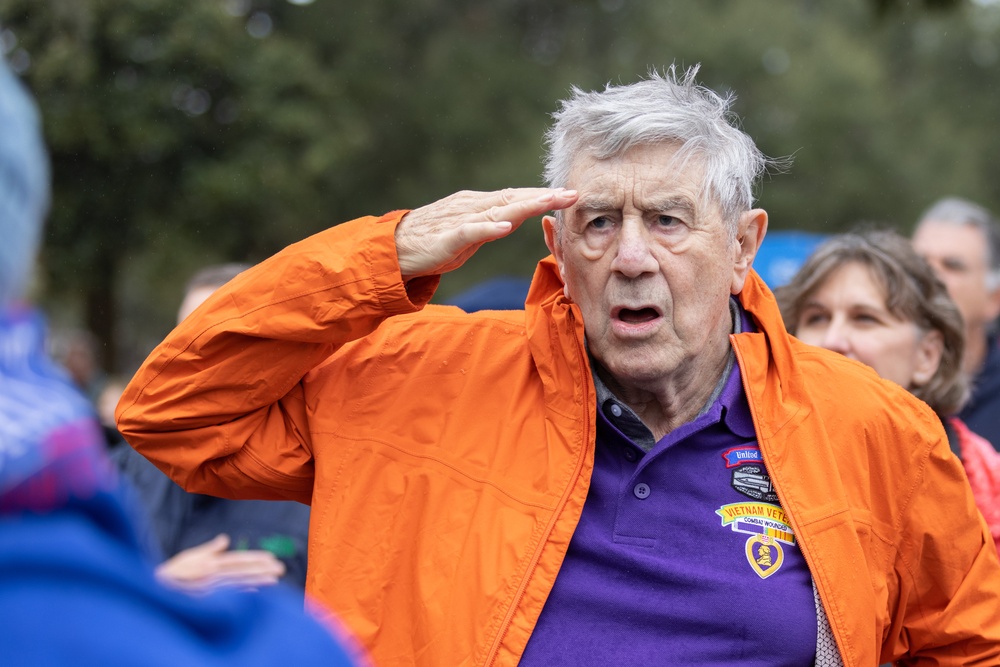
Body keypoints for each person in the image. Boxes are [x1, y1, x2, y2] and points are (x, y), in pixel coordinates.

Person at [117, 66, 1000, 665]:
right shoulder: (416, 377)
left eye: (667, 219)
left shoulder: (873, 426)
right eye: (599, 222)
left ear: (743, 246)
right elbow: (170, 412)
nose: (631, 257)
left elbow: (968, 644)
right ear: (557, 245)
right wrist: (387, 254)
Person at [0, 55, 363, 665]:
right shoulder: (113, 473)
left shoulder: (329, 470)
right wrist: (161, 591)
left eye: (231, 344)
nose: (206, 364)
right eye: (187, 347)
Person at [775, 228, 1000, 552]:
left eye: (865, 318)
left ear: (927, 355)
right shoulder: (747, 459)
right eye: (817, 318)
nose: (833, 340)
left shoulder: (985, 485)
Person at [110, 262, 312, 592]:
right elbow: (66, 599)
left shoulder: (313, 475)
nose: (191, 356)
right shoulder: (123, 472)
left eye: (215, 339)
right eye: (180, 340)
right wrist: (161, 588)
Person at [912, 197, 1000, 449]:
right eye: (920, 262)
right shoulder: (876, 374)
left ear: (994, 299)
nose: (930, 276)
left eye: (953, 266)